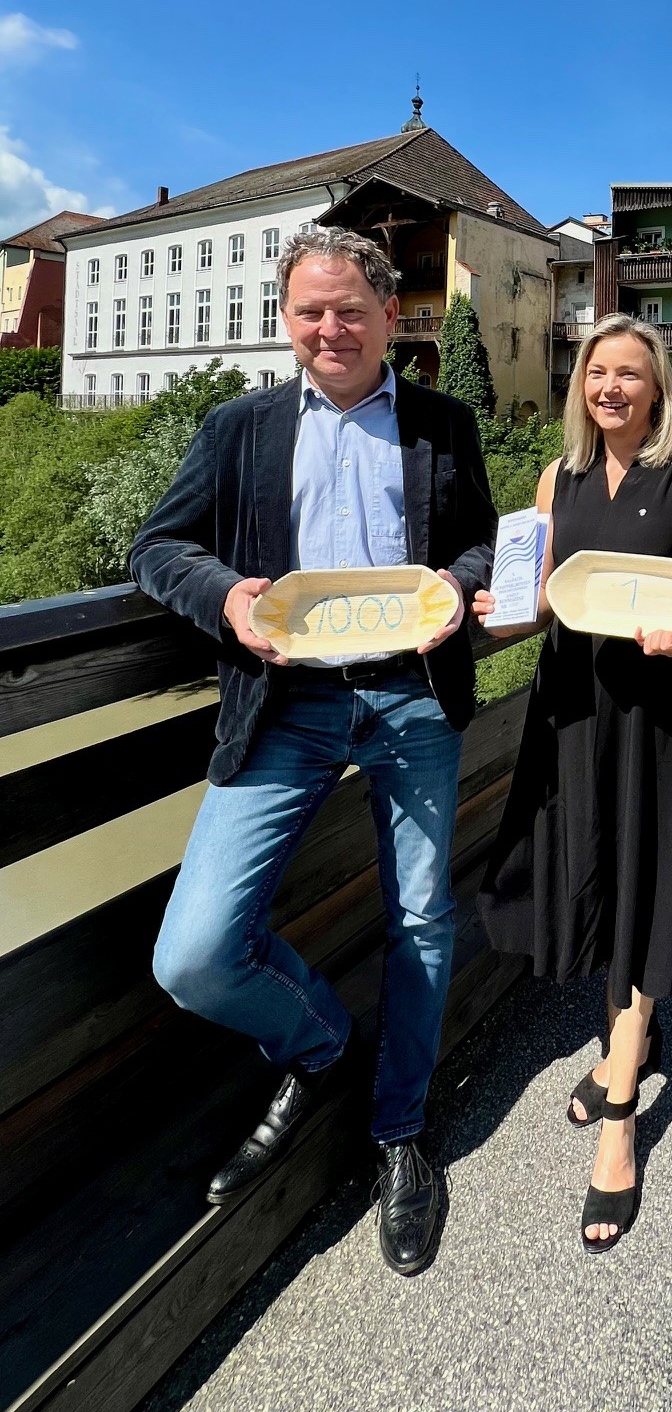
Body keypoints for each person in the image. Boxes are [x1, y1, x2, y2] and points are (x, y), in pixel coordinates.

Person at [130, 227, 496, 1277]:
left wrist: (456, 590)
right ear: (286, 320)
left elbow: (476, 538)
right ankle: (320, 1042)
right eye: (309, 311)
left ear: (391, 316)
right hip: (285, 704)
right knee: (194, 953)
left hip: (411, 697)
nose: (329, 329)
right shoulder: (239, 428)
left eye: (349, 310)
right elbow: (158, 549)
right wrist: (228, 596)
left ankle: (400, 1133)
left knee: (422, 918)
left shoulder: (441, 423)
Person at [474, 313, 672, 1252]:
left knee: (644, 883)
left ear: (657, 386)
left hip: (657, 712)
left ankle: (621, 1108)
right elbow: (532, 597)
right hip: (574, 708)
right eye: (596, 374)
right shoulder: (558, 477)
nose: (610, 387)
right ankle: (633, 1038)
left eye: (629, 373)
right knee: (590, 868)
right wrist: (488, 611)